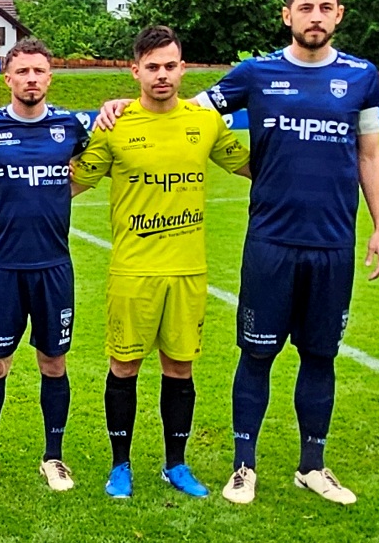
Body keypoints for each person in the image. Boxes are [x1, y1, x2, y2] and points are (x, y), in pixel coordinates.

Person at [199, 0, 379, 506]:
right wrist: (126, 107)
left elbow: (370, 154)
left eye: (325, 8)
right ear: (288, 15)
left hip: (333, 245)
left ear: (338, 15)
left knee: (320, 356)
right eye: (305, 8)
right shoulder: (256, 73)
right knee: (256, 354)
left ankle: (313, 465)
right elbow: (191, 116)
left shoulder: (361, 76)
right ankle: (243, 466)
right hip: (271, 242)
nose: (315, 17)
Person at [71, 25, 251, 500]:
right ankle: (120, 466)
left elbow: (255, 168)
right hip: (132, 270)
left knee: (180, 369)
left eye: (170, 65)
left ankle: (176, 464)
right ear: (135, 71)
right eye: (152, 67)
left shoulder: (206, 123)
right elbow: (70, 183)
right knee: (123, 368)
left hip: (188, 270)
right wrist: (9, 194)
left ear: (183, 68)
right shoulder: (115, 125)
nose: (162, 75)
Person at [0, 38, 92, 491]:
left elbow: (100, 162)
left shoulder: (70, 128)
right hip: (2, 266)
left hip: (53, 266)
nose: (31, 79)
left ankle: (54, 457)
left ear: (50, 76)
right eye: (23, 72)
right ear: (8, 78)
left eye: (39, 71)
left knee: (53, 361)